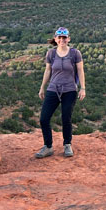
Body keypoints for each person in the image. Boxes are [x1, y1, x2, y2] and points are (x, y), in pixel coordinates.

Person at [35, 27, 86, 158]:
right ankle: (48, 146)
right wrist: (42, 87)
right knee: (44, 118)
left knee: (66, 118)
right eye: (60, 37)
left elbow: (80, 71)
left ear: (68, 39)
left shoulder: (75, 53)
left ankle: (67, 144)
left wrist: (83, 88)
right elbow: (47, 71)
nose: (62, 40)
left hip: (69, 90)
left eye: (64, 37)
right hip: (53, 89)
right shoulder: (51, 54)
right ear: (56, 39)